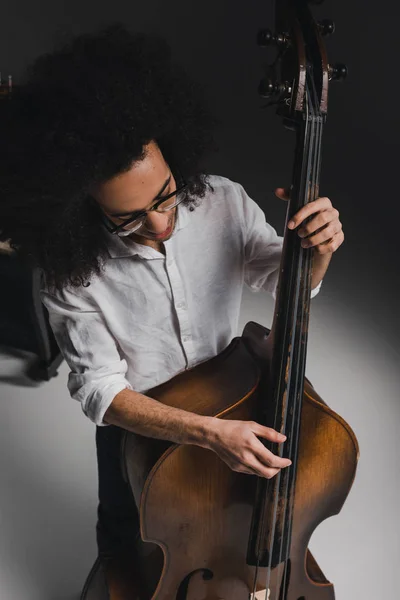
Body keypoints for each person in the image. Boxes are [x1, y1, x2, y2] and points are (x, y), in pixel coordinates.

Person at [0, 24, 344, 595]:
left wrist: (318, 251)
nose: (161, 223)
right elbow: (101, 392)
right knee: (122, 536)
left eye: (165, 194)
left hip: (232, 400)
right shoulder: (71, 270)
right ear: (79, 207)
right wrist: (205, 435)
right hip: (142, 422)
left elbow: (283, 280)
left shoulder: (221, 199)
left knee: (237, 519)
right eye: (129, 218)